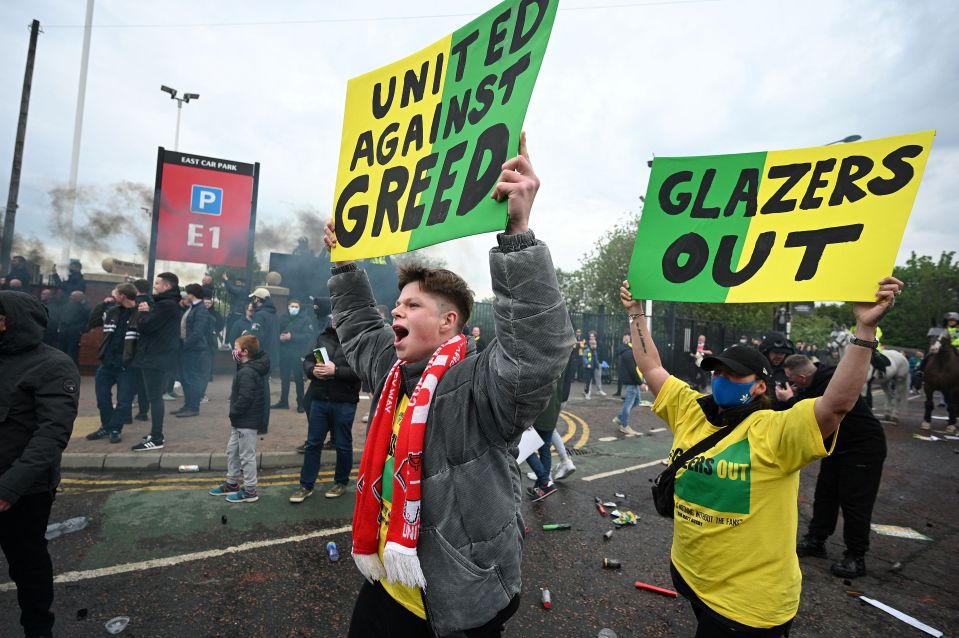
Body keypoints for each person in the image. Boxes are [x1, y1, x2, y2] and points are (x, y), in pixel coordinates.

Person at [326, 135, 573, 638]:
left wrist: (519, 234)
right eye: (397, 305)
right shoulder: (390, 371)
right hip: (389, 579)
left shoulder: (479, 382)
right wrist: (345, 264)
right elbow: (355, 322)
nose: (396, 311)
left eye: (412, 306)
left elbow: (536, 349)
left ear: (449, 323)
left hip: (460, 599)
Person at [619, 275, 903, 637]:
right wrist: (635, 314)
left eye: (734, 375)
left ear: (760, 386)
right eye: (717, 371)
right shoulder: (690, 409)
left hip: (747, 606)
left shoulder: (776, 430)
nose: (721, 378)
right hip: (692, 577)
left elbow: (836, 405)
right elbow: (654, 368)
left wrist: (865, 330)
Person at [0, 290, 80, 638]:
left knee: (28, 565)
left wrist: (9, 488)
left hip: (23, 491)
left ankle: (38, 629)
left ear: (10, 321)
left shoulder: (54, 365)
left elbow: (51, 435)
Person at [776, 354, 886, 579]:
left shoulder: (829, 384)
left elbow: (813, 417)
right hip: (838, 446)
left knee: (854, 502)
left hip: (862, 447)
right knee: (825, 494)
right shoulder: (815, 382)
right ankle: (817, 540)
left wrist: (789, 399)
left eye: (793, 379)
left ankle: (856, 557)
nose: (791, 383)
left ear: (804, 377)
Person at [290, 317, 360, 503]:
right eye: (334, 316)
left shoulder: (356, 339)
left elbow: (360, 371)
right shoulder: (321, 338)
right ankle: (306, 485)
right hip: (320, 398)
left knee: (343, 444)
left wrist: (335, 371)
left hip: (344, 401)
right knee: (313, 444)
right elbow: (308, 360)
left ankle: (341, 483)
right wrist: (313, 370)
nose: (336, 319)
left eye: (341, 315)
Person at [209, 335, 270, 503]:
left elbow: (245, 398)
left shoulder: (248, 371)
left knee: (246, 456)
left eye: (236, 348)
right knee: (233, 451)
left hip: (246, 420)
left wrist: (233, 411)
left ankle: (250, 491)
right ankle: (232, 483)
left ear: (245, 352)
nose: (233, 351)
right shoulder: (246, 368)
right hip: (240, 421)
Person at [131, 272, 182, 451]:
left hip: (155, 357)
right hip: (159, 356)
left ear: (167, 286)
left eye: (158, 284)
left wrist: (143, 313)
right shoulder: (168, 304)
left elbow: (146, 327)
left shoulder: (165, 305)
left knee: (155, 398)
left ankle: (157, 437)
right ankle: (155, 433)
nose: (155, 286)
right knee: (154, 398)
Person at [86, 283, 140, 444]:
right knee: (102, 398)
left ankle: (115, 428)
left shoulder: (140, 314)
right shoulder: (112, 311)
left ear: (122, 295)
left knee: (124, 401)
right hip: (107, 362)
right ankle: (106, 426)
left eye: (115, 293)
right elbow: (93, 320)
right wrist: (103, 303)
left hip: (127, 365)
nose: (113, 295)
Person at [174, 283, 215, 418]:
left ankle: (193, 407)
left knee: (192, 378)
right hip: (187, 348)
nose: (186, 295)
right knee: (186, 378)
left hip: (193, 349)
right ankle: (188, 405)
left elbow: (198, 332)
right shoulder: (192, 308)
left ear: (192, 294)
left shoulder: (201, 310)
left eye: (187, 293)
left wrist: (185, 345)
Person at [274, 298, 315, 412]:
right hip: (285, 353)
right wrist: (280, 337)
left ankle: (301, 404)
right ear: (288, 307)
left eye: (296, 307)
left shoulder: (305, 319)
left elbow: (307, 336)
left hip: (298, 353)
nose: (294, 308)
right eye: (292, 306)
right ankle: (283, 401)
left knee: (298, 379)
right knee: (285, 378)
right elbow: (276, 331)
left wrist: (292, 336)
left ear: (299, 308)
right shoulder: (283, 318)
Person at [526, 382, 561, 501]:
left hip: (538, 413)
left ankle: (545, 482)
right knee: (545, 449)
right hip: (552, 410)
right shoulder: (557, 364)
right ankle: (541, 488)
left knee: (524, 448)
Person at [612, 334, 646, 437]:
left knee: (637, 401)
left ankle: (619, 418)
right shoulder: (629, 353)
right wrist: (641, 383)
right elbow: (632, 370)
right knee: (629, 403)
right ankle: (624, 426)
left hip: (633, 381)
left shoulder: (629, 351)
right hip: (632, 382)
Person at [249, 287, 280, 376]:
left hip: (261, 357)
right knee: (264, 384)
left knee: (260, 385)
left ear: (257, 299)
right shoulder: (274, 315)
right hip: (272, 356)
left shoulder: (260, 315)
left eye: (253, 298)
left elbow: (256, 338)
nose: (252, 301)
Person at [759, 331, 795, 407]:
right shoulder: (757, 369)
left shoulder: (790, 372)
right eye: (776, 352)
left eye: (782, 353)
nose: (779, 356)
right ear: (767, 352)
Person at [57, 290, 90, 365]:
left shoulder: (85, 308)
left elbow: (87, 321)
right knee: (61, 351)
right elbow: (62, 317)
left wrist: (81, 330)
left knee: (72, 352)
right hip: (64, 331)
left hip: (74, 333)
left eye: (73, 296)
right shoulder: (67, 305)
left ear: (78, 297)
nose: (70, 297)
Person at [223, 273, 250, 346]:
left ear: (242, 283)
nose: (236, 284)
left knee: (231, 328)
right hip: (238, 312)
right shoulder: (244, 290)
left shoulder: (242, 289)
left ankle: (227, 343)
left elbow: (231, 289)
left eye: (238, 283)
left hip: (237, 313)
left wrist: (226, 279)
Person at [582, 331, 606, 398]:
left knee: (598, 377)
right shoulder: (587, 345)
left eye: (592, 336)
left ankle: (599, 390)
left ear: (595, 337)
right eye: (590, 336)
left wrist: (600, 362)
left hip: (597, 363)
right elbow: (585, 356)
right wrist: (587, 363)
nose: (591, 337)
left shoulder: (599, 344)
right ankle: (587, 391)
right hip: (589, 365)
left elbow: (601, 353)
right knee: (588, 379)